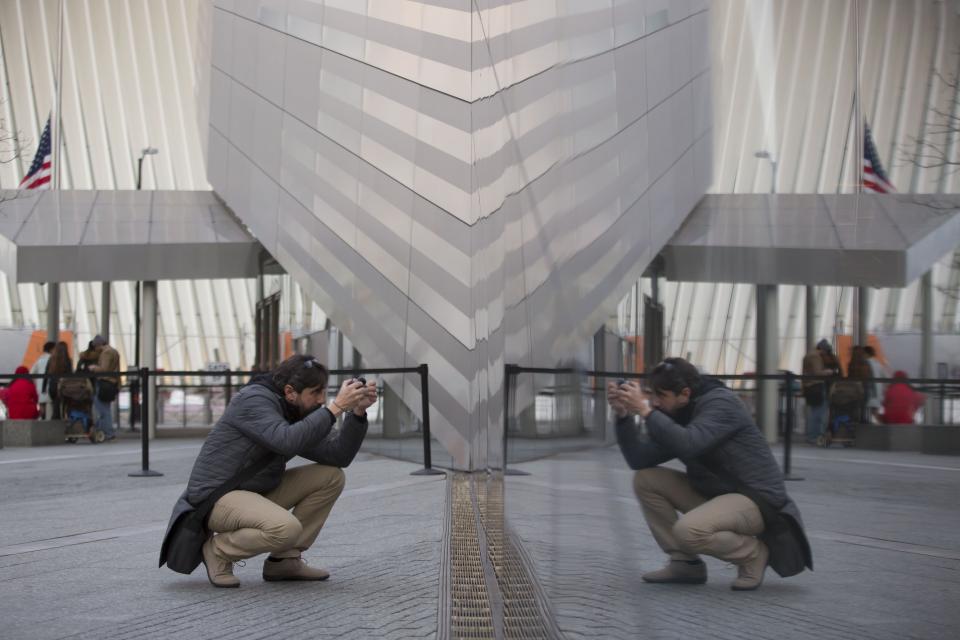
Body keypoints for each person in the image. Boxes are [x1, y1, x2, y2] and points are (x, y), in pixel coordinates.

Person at [160, 354, 376, 588]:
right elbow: (285, 440)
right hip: (217, 497)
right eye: (315, 393)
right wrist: (335, 408)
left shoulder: (295, 411)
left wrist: (357, 413)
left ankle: (284, 560)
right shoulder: (253, 401)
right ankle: (218, 551)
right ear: (291, 391)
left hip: (255, 492)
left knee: (330, 476)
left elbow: (338, 456)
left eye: (324, 392)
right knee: (286, 528)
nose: (321, 400)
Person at [609, 357, 811, 591]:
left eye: (660, 396)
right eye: (651, 395)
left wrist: (644, 411)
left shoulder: (721, 404)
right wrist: (623, 416)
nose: (655, 402)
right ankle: (685, 563)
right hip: (719, 494)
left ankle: (753, 554)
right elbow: (639, 459)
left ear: (685, 393)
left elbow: (689, 443)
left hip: (757, 499)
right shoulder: (678, 410)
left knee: (688, 531)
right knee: (646, 479)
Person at [87, 335, 120, 441]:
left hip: (104, 382)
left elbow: (104, 368)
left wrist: (94, 367)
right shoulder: (114, 351)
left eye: (95, 346)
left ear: (99, 345)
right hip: (112, 383)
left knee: (102, 409)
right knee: (105, 408)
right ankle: (104, 430)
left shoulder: (106, 353)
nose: (95, 349)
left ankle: (108, 432)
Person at [801, 339, 835, 444]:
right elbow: (817, 372)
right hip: (816, 386)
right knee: (818, 412)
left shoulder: (808, 355)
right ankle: (813, 436)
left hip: (809, 386)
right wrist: (829, 371)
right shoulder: (815, 356)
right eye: (826, 350)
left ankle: (811, 435)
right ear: (823, 349)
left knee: (814, 411)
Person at [43, 342, 72, 419]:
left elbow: (46, 374)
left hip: (52, 386)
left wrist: (44, 388)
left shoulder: (51, 359)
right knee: (63, 404)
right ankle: (61, 419)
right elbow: (70, 375)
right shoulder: (68, 360)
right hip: (63, 386)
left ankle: (56, 418)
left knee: (55, 403)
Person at [30, 341, 55, 418]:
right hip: (51, 388)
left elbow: (31, 373)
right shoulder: (53, 360)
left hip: (40, 388)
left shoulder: (39, 360)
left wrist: (35, 384)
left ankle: (42, 422)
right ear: (51, 350)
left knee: (42, 409)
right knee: (51, 409)